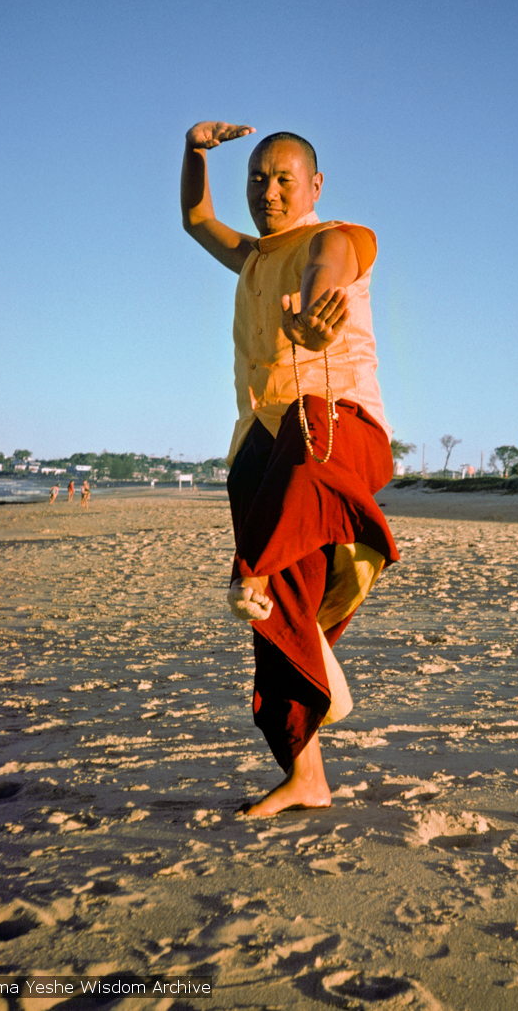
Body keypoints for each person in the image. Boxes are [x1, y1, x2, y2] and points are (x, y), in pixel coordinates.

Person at [181, 121, 399, 816]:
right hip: (260, 437)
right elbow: (196, 220)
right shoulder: (252, 257)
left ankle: (254, 569)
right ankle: (307, 776)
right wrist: (193, 151)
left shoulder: (337, 237)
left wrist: (311, 314)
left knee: (293, 487)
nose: (268, 191)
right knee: (276, 617)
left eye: (283, 179)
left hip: (335, 420)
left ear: (315, 185)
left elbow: (323, 270)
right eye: (257, 179)